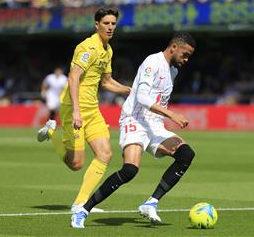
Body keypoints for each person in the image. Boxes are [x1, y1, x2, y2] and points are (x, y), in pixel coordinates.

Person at [71, 32, 196, 228]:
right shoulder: (152, 62)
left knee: (186, 154)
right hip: (135, 119)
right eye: (185, 54)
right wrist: (172, 115)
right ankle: (83, 210)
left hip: (154, 124)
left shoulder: (174, 71)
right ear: (174, 47)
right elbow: (143, 98)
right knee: (130, 170)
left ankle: (151, 202)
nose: (186, 59)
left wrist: (163, 118)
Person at [37, 6, 131, 213]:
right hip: (74, 108)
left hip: (93, 109)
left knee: (105, 154)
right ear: (97, 24)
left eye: (113, 23)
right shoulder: (88, 48)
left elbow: (106, 82)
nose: (110, 27)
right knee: (76, 163)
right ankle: (51, 134)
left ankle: (80, 204)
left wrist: (128, 89)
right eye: (106, 23)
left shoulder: (108, 50)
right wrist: (77, 112)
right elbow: (73, 77)